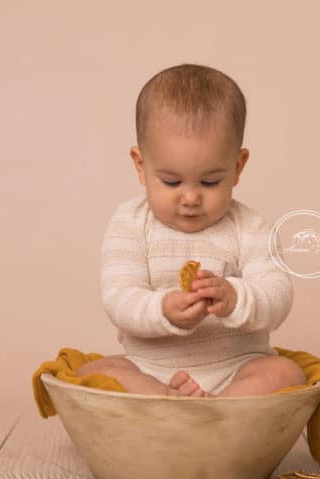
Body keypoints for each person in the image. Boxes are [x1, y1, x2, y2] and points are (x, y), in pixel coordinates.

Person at [77, 63, 306, 397]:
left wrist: (234, 297)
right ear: (141, 166)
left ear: (238, 167)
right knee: (93, 373)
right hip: (149, 370)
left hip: (236, 368)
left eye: (210, 181)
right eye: (171, 181)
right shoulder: (129, 224)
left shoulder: (250, 227)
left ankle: (219, 408)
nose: (190, 197)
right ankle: (167, 399)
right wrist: (162, 309)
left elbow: (278, 296)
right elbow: (118, 298)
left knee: (286, 373)